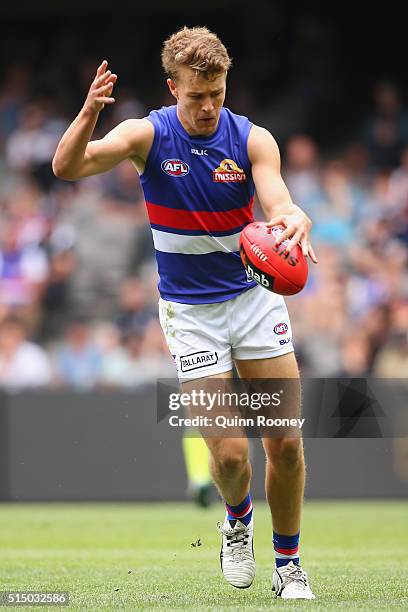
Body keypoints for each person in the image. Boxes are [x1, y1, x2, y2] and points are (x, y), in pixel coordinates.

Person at [52, 26, 318, 599]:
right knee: (227, 459)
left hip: (252, 302)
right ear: (173, 87)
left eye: (217, 94)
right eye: (196, 95)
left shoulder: (252, 140)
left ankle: (289, 564)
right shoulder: (146, 134)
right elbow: (68, 168)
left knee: (288, 446)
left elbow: (276, 197)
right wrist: (87, 115)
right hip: (190, 314)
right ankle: (238, 522)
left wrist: (292, 217)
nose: (207, 106)